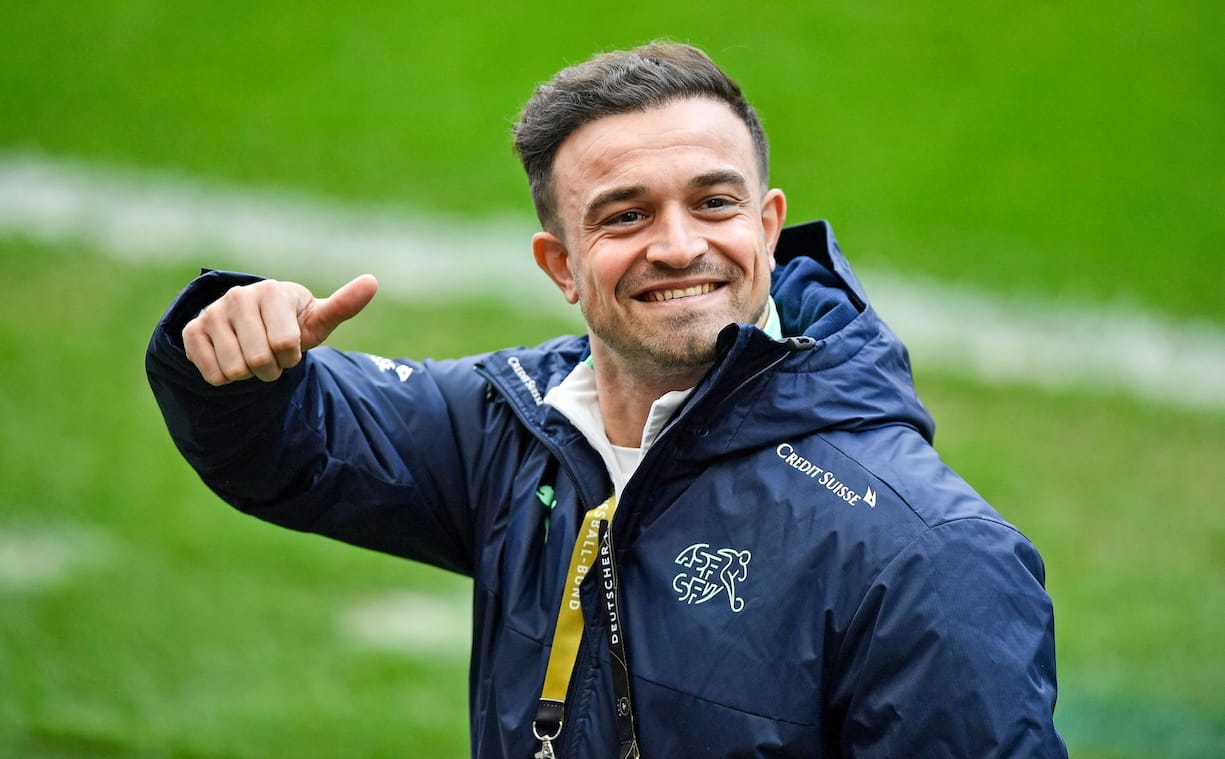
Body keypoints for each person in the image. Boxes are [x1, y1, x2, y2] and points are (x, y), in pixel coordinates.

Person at [147, 41, 1067, 758]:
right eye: (624, 215)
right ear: (560, 265)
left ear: (768, 224)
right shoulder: (519, 425)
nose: (677, 246)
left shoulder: (925, 554)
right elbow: (293, 445)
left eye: (712, 203)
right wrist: (231, 359)